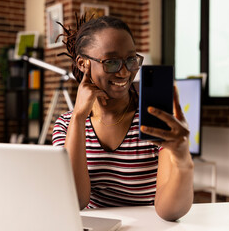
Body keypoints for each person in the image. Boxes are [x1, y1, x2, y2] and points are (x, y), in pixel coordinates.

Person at [52, 15, 193, 221]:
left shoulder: (152, 122)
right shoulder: (66, 125)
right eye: (111, 62)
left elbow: (169, 212)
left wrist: (183, 161)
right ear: (83, 64)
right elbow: (75, 200)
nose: (125, 72)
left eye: (130, 60)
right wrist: (79, 117)